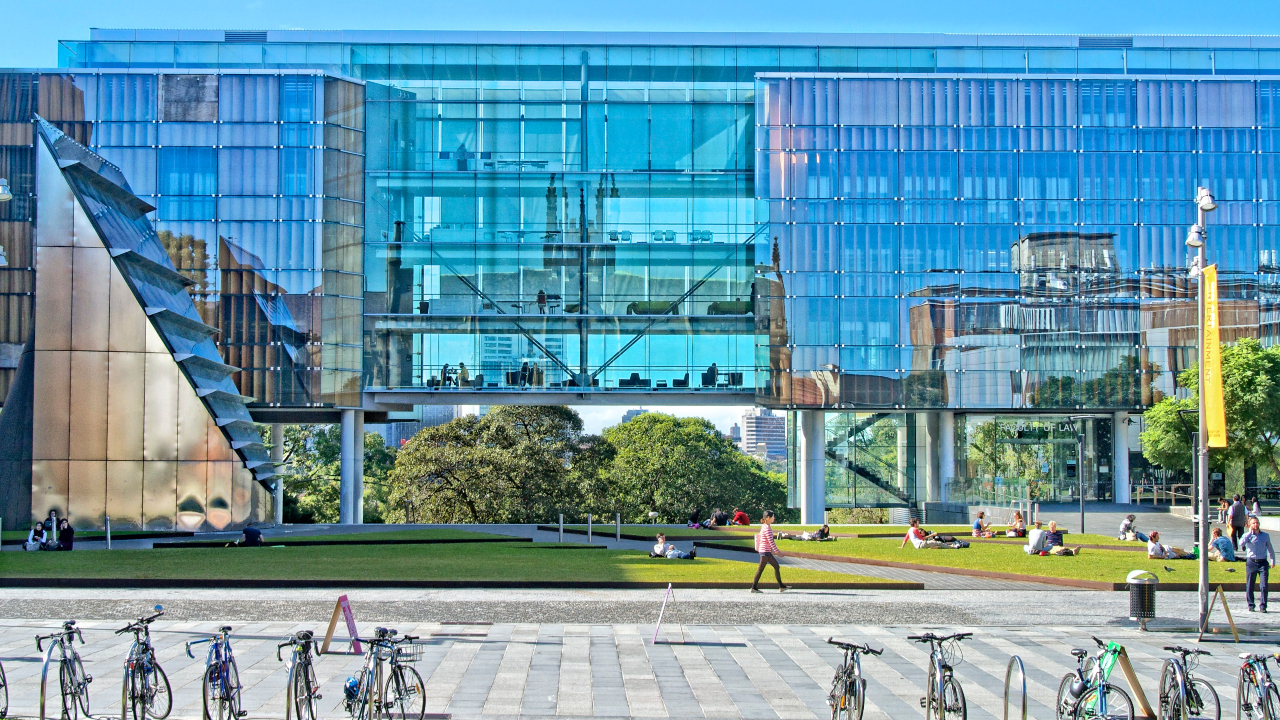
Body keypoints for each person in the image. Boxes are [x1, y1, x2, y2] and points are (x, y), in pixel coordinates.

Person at [1240, 515, 1276, 612]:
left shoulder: (1265, 536)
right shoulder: (1247, 536)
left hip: (1262, 562)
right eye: (1253, 523)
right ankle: (1251, 605)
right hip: (1251, 562)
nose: (1255, 525)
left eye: (1257, 523)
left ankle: (1263, 606)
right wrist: (1249, 533)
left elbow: (1270, 549)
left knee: (1264, 585)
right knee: (1250, 584)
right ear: (1250, 525)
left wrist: (1272, 560)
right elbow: (1241, 543)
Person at [750, 511, 788, 592]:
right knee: (761, 569)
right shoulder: (767, 529)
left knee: (775, 567)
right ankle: (753, 587)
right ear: (768, 518)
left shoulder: (764, 526)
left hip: (764, 551)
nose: (774, 518)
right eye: (773, 517)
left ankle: (781, 586)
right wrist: (778, 552)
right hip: (765, 552)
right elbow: (771, 542)